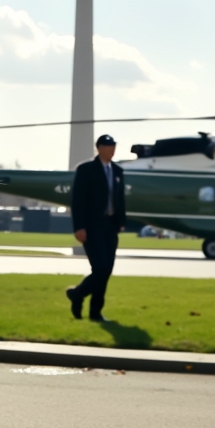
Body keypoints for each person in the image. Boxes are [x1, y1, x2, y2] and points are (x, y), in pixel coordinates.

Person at [67, 134, 126, 322]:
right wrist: (79, 227)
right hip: (92, 227)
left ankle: (95, 312)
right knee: (100, 268)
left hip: (110, 226)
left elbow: (120, 198)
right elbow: (78, 201)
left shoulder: (117, 171)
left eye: (114, 146)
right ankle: (78, 294)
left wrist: (121, 221)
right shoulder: (86, 170)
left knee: (106, 270)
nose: (112, 150)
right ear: (99, 148)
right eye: (109, 147)